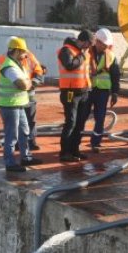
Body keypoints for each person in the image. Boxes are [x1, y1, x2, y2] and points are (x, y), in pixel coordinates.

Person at [0, 37, 43, 172]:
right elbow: (22, 84)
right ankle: (10, 163)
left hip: (19, 104)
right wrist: (31, 84)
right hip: (10, 106)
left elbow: (25, 82)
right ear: (16, 51)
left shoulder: (17, 64)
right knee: (12, 135)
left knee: (24, 131)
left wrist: (29, 83)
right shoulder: (9, 66)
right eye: (23, 52)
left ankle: (26, 157)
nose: (25, 55)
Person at [57, 29, 93, 162]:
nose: (88, 48)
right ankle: (65, 152)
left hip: (83, 91)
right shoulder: (66, 50)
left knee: (80, 123)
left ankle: (75, 150)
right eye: (87, 44)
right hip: (70, 92)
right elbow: (69, 66)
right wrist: (82, 56)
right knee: (71, 122)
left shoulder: (84, 52)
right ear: (82, 41)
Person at [88, 28, 121, 153]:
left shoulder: (111, 56)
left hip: (103, 91)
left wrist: (115, 92)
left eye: (107, 44)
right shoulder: (87, 53)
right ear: (97, 41)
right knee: (82, 116)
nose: (106, 46)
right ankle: (75, 143)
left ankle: (95, 142)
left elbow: (115, 75)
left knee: (100, 117)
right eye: (104, 44)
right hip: (87, 89)